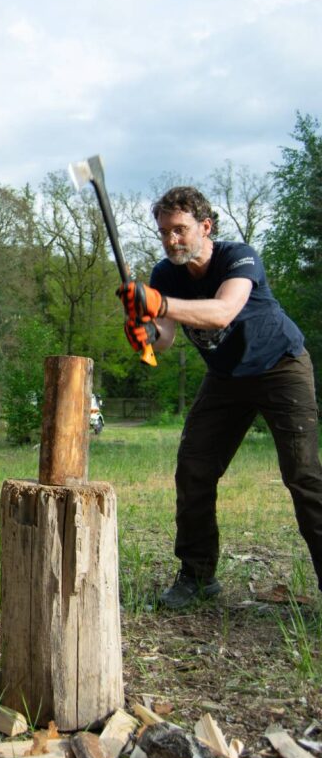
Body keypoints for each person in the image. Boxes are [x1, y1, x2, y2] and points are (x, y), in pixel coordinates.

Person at [118, 185, 322, 609]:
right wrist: (145, 333)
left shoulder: (239, 256)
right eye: (163, 232)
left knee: (303, 476)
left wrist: (158, 302)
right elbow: (168, 336)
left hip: (280, 367)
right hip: (225, 378)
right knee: (193, 468)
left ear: (204, 226)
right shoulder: (166, 273)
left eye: (180, 230)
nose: (171, 240)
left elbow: (223, 311)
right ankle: (197, 577)